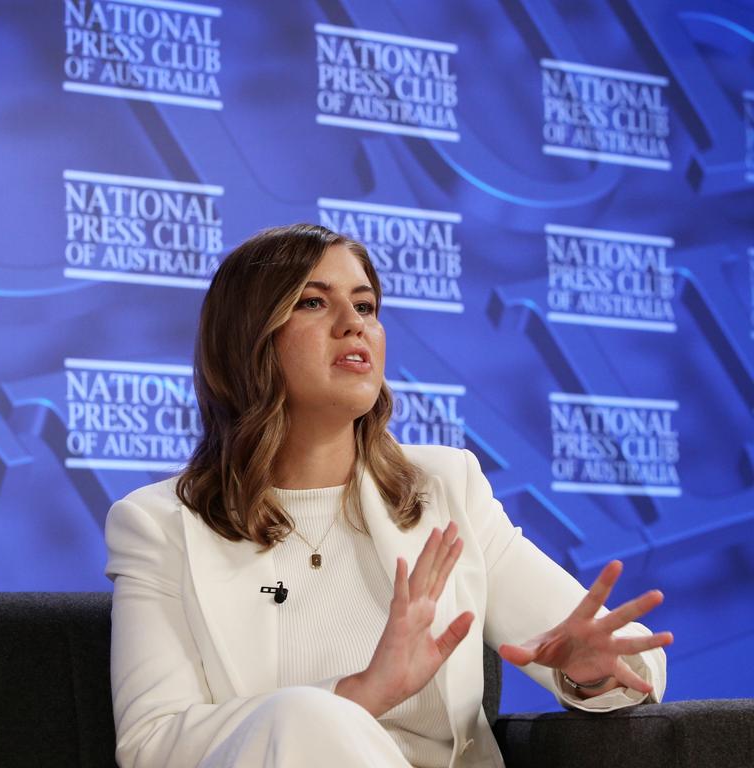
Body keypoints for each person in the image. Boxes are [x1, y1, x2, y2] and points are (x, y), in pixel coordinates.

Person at [104, 224, 671, 768]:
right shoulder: (159, 526)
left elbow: (636, 659)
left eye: (366, 306)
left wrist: (589, 670)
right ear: (246, 338)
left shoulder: (446, 490)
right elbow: (152, 744)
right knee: (302, 715)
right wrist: (357, 694)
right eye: (313, 302)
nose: (353, 325)